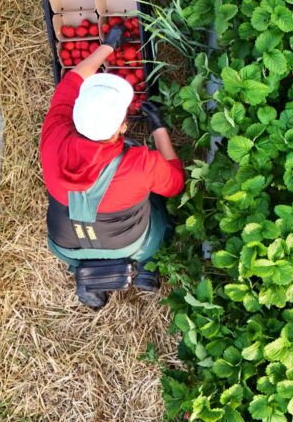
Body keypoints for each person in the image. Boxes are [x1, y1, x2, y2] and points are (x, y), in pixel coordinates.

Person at [39, 26, 184, 309]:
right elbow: (176, 183)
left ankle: (85, 275)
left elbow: (72, 80)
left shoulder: (54, 136)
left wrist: (106, 47)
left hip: (66, 246)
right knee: (158, 204)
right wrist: (159, 129)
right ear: (122, 127)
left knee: (82, 229)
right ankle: (147, 263)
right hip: (128, 243)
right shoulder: (140, 164)